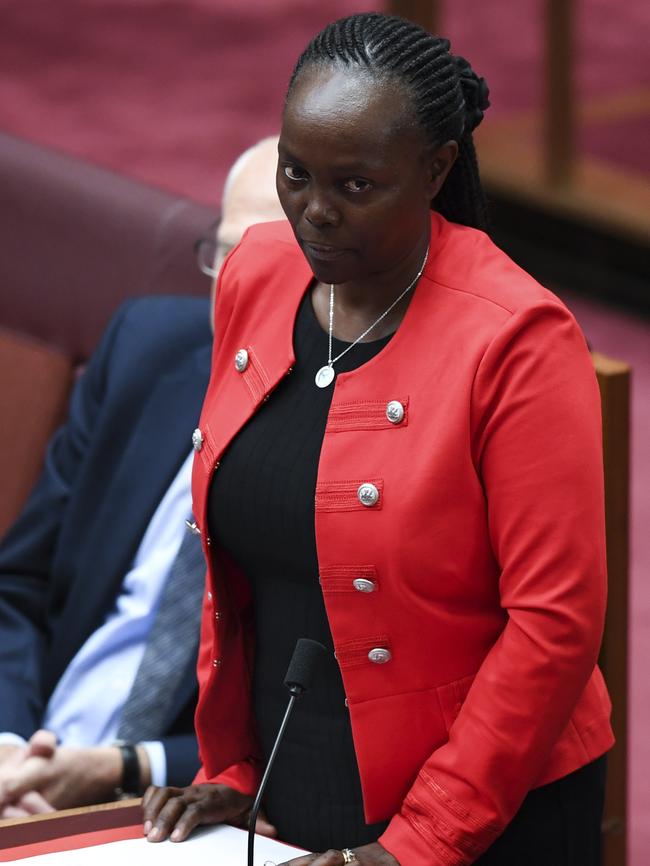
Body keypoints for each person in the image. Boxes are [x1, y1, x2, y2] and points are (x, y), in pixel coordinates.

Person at [142, 13, 613, 866]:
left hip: (486, 806)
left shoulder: (518, 339)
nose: (314, 213)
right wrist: (238, 767)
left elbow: (555, 624)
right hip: (295, 781)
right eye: (296, 174)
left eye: (355, 186)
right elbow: (247, 566)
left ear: (434, 171)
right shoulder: (255, 269)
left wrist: (416, 844)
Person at [0, 136, 284, 818]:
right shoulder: (146, 349)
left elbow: (309, 729)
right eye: (225, 256)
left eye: (271, 265)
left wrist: (118, 770)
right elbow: (18, 584)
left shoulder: (359, 451)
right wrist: (10, 750)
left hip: (172, 809)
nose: (238, 287)